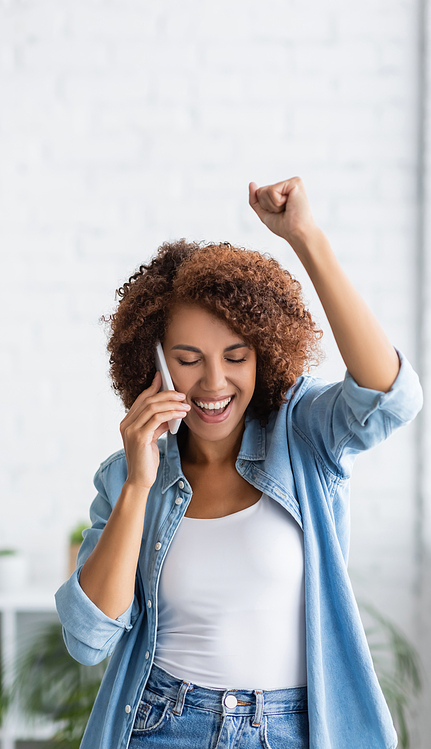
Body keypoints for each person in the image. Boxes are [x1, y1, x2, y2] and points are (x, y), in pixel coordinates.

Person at [55, 177, 423, 749]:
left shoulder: (302, 435)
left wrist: (305, 237)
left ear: (265, 355)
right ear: (152, 362)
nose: (213, 383)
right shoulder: (127, 474)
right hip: (161, 724)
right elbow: (88, 639)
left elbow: (391, 398)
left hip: (291, 729)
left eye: (236, 357)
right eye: (187, 359)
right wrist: (137, 484)